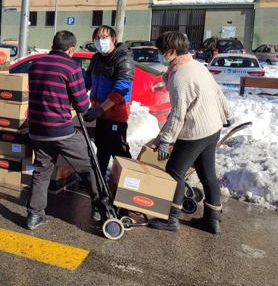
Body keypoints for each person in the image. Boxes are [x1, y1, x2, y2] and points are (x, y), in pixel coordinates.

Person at [149, 32, 233, 234]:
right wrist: (227, 114)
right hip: (212, 128)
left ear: (171, 51)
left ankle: (172, 219)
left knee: (174, 171)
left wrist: (165, 140)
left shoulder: (180, 77)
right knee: (207, 174)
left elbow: (178, 115)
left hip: (195, 131)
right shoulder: (197, 66)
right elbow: (217, 91)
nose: (161, 55)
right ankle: (212, 220)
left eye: (162, 51)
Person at [26, 31, 101, 230]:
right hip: (60, 130)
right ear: (71, 49)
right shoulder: (71, 67)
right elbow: (82, 106)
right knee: (89, 164)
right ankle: (99, 207)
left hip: (36, 129)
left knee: (42, 170)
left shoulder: (35, 65)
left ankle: (34, 215)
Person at [83, 25, 134, 179]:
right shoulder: (96, 58)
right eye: (97, 38)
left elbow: (122, 89)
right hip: (100, 113)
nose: (100, 41)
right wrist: (74, 94)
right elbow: (87, 80)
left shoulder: (123, 58)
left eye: (104, 37)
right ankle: (99, 180)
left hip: (115, 114)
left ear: (113, 39)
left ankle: (131, 182)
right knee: (102, 147)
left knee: (118, 149)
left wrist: (101, 109)